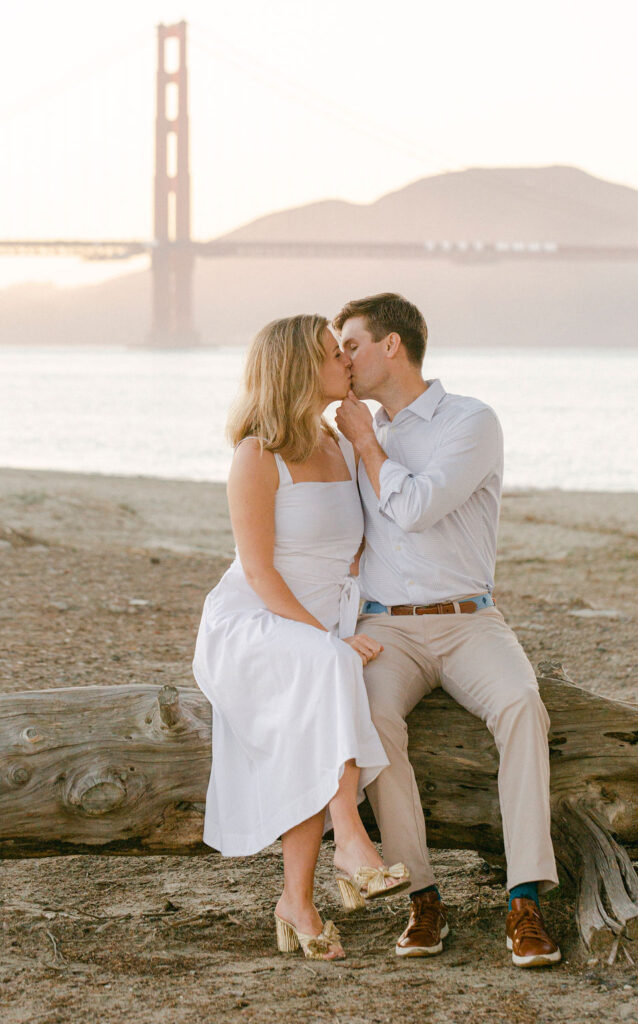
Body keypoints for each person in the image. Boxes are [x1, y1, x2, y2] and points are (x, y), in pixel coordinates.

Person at [333, 292, 561, 967]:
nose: (341, 359)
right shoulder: (352, 436)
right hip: (386, 629)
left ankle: (524, 900)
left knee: (522, 705)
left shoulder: (470, 421)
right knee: (369, 716)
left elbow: (417, 507)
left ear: (391, 346)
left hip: (468, 620)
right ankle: (422, 897)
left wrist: (368, 447)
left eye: (350, 344)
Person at [192, 314, 410, 962]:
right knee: (327, 668)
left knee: (311, 716)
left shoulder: (339, 442)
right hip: (257, 619)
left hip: (321, 618)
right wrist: (326, 639)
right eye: (330, 353)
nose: (345, 360)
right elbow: (259, 571)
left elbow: (372, 532)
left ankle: (297, 902)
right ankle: (350, 840)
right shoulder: (257, 453)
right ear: (296, 368)